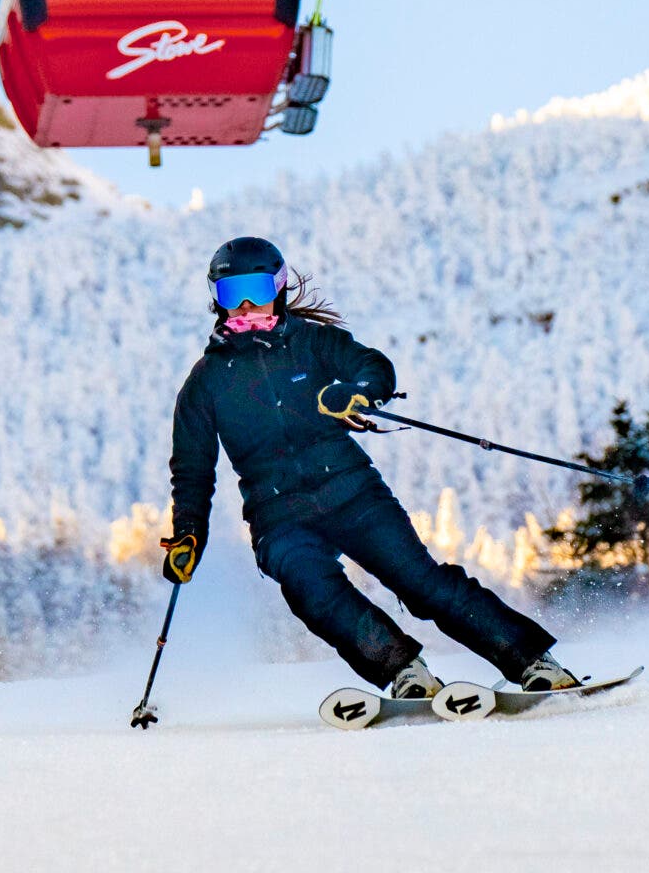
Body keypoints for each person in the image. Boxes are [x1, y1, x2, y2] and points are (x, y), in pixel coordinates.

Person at [160, 235, 580, 699]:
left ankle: (534, 662)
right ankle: (405, 672)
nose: (243, 304)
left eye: (255, 290)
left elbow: (373, 367)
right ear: (215, 299)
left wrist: (357, 391)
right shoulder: (205, 383)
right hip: (277, 517)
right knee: (311, 590)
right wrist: (188, 533)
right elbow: (192, 471)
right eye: (228, 293)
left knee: (421, 584)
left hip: (353, 494)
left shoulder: (313, 343)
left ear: (277, 288)